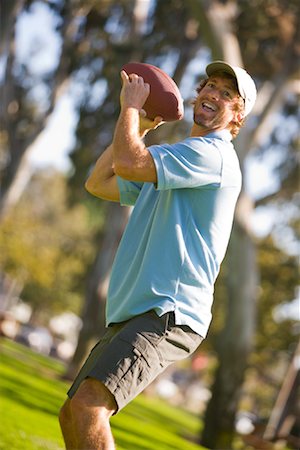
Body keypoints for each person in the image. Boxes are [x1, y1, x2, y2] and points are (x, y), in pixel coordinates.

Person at [59, 60, 257, 449]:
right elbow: (100, 182)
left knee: (88, 408)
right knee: (72, 412)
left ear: (238, 114)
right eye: (209, 85)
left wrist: (131, 109)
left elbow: (131, 161)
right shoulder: (176, 160)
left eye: (227, 93)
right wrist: (144, 126)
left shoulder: (213, 156)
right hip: (138, 311)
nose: (212, 94)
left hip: (169, 312)